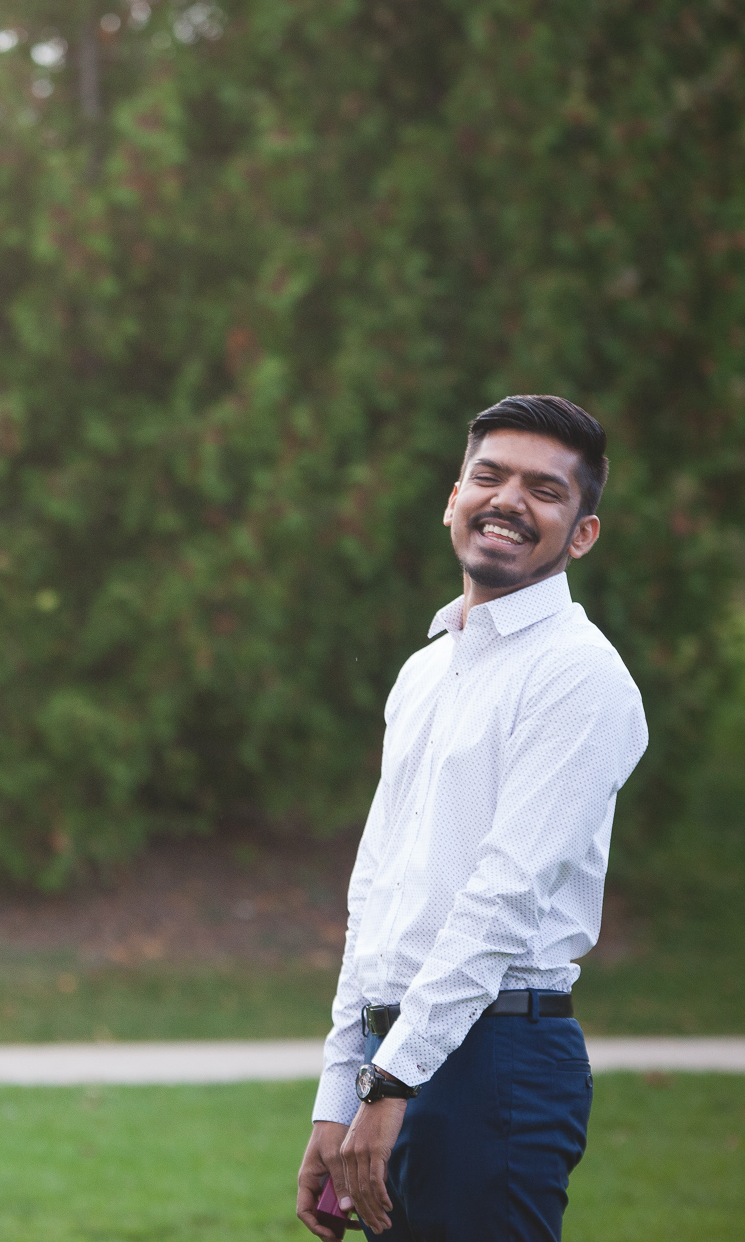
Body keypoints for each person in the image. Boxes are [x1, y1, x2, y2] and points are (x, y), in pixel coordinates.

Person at [294, 395, 648, 1241]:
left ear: (582, 534)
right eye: (489, 476)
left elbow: (504, 897)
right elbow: (375, 896)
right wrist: (338, 1096)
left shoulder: (578, 676)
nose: (508, 501)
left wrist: (388, 1086)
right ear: (453, 498)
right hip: (402, 1062)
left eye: (545, 490)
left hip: (497, 1067)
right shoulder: (425, 671)